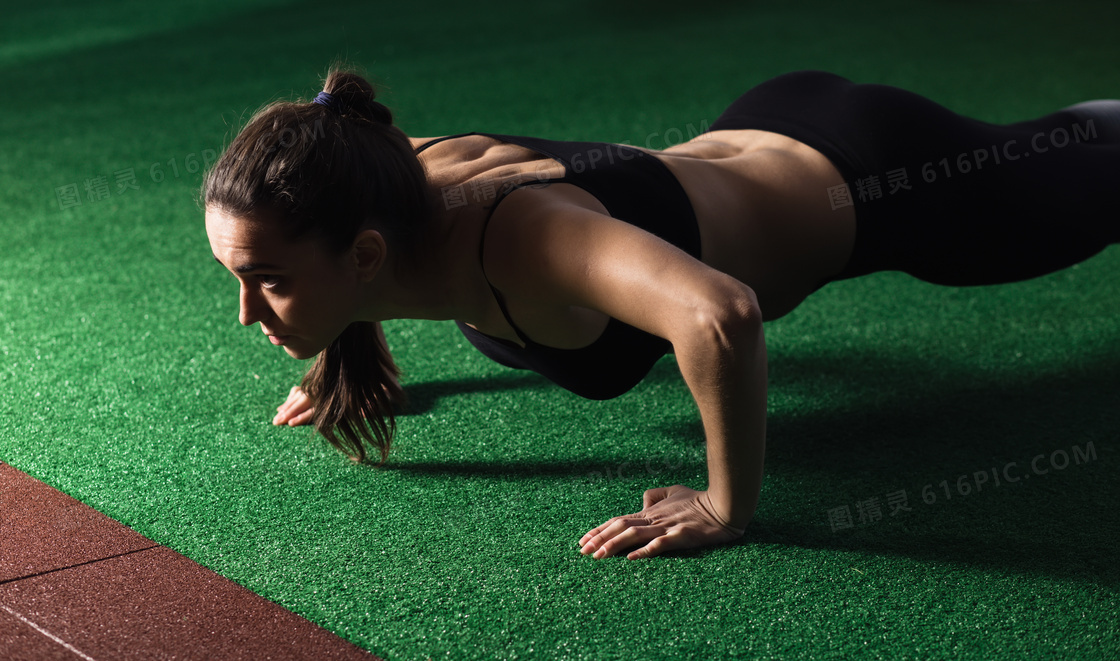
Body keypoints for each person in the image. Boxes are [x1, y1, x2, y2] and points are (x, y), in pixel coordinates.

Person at [203, 67, 1119, 560]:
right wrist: (343, 353)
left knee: (1090, 164)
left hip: (875, 180)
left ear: (360, 258)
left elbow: (723, 315)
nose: (247, 312)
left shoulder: (517, 240)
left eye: (267, 280)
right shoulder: (372, 176)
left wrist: (726, 506)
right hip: (760, 126)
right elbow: (352, 223)